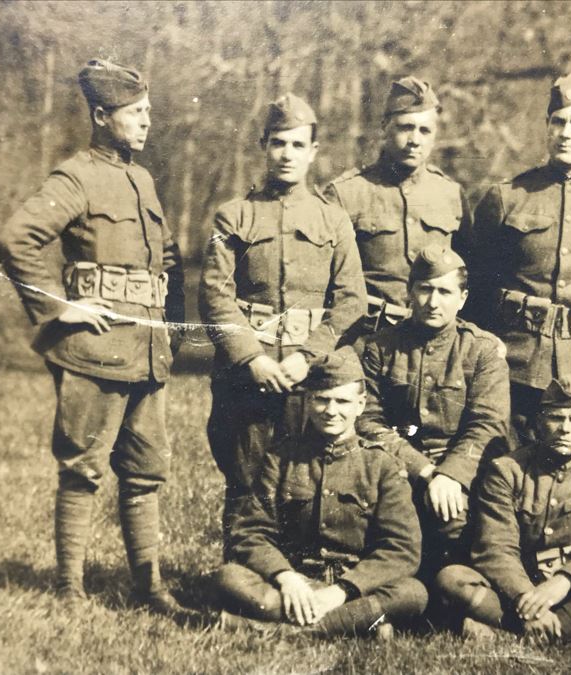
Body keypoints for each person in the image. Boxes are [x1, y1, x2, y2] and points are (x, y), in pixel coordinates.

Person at [0, 60, 185, 612]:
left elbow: (167, 257)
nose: (147, 123)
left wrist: (169, 330)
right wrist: (60, 308)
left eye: (148, 112)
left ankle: (148, 588)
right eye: (134, 114)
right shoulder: (76, 176)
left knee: (146, 471)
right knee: (83, 468)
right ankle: (69, 590)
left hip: (147, 351)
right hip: (96, 348)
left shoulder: (143, 178)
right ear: (101, 116)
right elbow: (16, 241)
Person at [198, 93, 366, 553]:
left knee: (304, 475)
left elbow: (352, 300)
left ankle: (297, 576)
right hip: (246, 377)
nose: (286, 154)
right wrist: (251, 359)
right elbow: (215, 295)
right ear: (263, 146)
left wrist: (307, 358)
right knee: (246, 477)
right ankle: (240, 575)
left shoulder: (333, 220)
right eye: (278, 143)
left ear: (314, 152)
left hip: (307, 377)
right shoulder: (235, 215)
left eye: (297, 145)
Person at [214, 349, 427, 637]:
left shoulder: (382, 465)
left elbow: (402, 549)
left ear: (361, 405)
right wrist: (287, 578)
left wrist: (342, 591)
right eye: (322, 400)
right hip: (296, 583)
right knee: (230, 576)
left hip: (354, 588)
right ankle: (355, 623)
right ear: (308, 401)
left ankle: (282, 631)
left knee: (412, 592)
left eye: (342, 401)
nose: (331, 411)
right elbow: (251, 532)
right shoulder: (282, 458)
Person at [468, 73, 571, 446]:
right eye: (558, 121)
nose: (566, 132)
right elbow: (476, 290)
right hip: (513, 365)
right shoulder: (507, 197)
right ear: (546, 126)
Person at [435, 376, 571, 644]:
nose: (564, 429)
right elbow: (495, 548)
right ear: (538, 423)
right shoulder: (506, 470)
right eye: (556, 418)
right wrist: (527, 597)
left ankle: (518, 636)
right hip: (517, 592)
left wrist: (564, 581)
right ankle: (570, 634)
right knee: (452, 578)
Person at [358, 244, 510, 575]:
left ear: (463, 298)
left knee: (457, 529)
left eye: (444, 291)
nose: (433, 302)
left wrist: (452, 475)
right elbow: (368, 421)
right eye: (424, 289)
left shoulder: (482, 350)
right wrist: (425, 471)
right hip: (399, 467)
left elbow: (488, 425)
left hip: (461, 473)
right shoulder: (380, 347)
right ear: (409, 292)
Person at [324, 76, 471, 339]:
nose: (415, 139)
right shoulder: (346, 194)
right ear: (384, 126)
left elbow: (469, 276)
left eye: (425, 130)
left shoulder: (451, 194)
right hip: (365, 338)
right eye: (405, 127)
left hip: (431, 342)